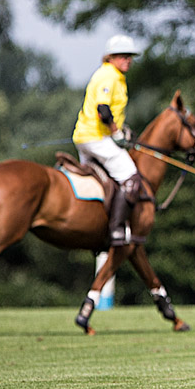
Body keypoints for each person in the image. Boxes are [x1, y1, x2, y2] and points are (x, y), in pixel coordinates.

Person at [72, 34, 143, 247]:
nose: (127, 60)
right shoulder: (109, 76)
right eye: (122, 56)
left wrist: (121, 130)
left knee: (104, 183)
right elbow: (103, 109)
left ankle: (99, 223)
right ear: (110, 57)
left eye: (129, 56)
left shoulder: (113, 76)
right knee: (131, 178)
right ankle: (116, 230)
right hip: (96, 138)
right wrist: (116, 133)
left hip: (85, 138)